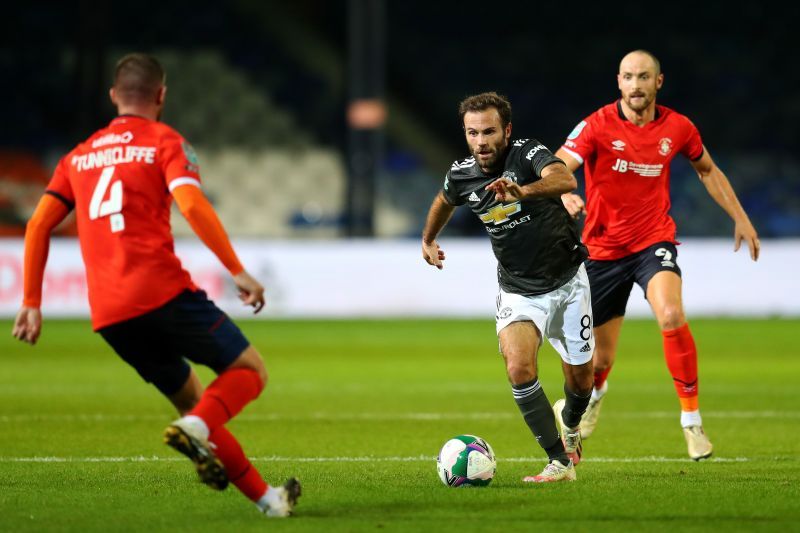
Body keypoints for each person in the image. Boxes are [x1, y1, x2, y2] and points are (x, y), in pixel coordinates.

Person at [11, 53, 301, 516]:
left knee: (194, 404)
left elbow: (38, 224)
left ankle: (269, 501)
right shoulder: (166, 142)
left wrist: (31, 301)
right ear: (161, 95)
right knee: (249, 372)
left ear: (113, 97)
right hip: (161, 292)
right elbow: (191, 205)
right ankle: (195, 431)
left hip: (110, 314)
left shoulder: (78, 156)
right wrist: (236, 269)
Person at [556, 49, 760, 460]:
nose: (636, 85)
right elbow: (560, 162)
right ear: (619, 81)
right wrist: (564, 191)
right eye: (629, 77)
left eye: (644, 77)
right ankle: (595, 396)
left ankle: (691, 421)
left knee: (670, 314)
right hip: (603, 250)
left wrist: (740, 217)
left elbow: (707, 169)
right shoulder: (596, 125)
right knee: (598, 362)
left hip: (653, 241)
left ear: (658, 82)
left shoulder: (678, 127)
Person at [421, 92, 594, 482]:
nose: (481, 142)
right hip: (518, 288)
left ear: (507, 130)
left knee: (583, 381)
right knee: (518, 367)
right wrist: (428, 238)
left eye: (488, 132)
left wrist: (525, 191)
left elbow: (564, 177)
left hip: (568, 282)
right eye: (472, 133)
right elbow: (444, 199)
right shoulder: (463, 173)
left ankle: (570, 423)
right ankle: (559, 462)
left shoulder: (527, 153)